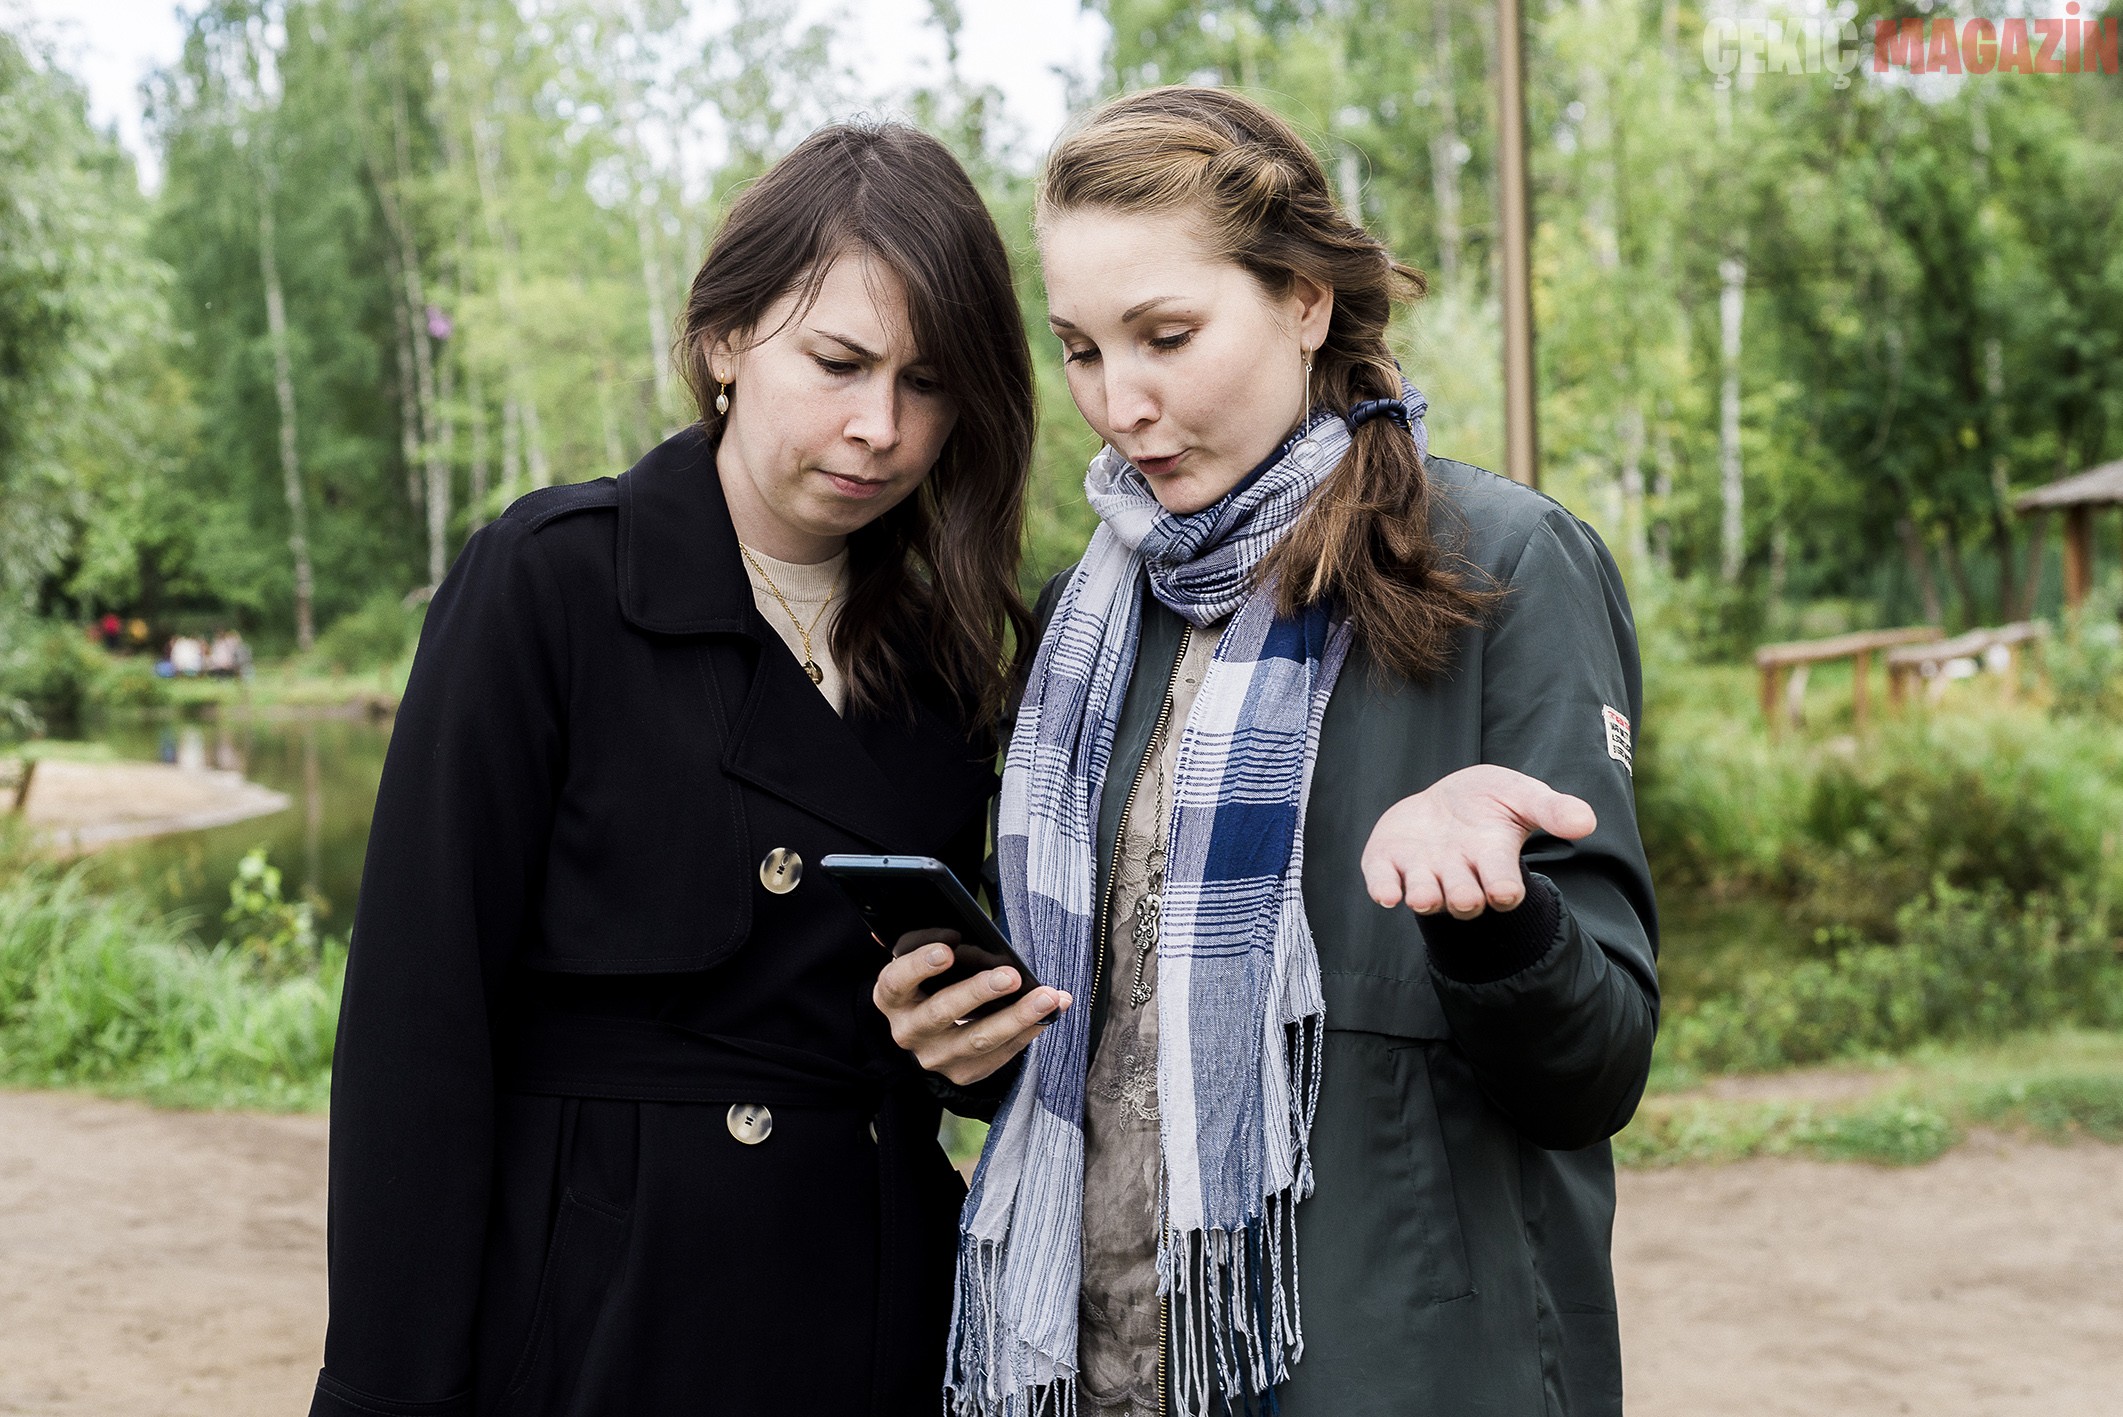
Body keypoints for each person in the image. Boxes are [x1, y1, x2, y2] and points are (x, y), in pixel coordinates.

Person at [875, 87, 1658, 1417]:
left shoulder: (1503, 567)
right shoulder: (1085, 620)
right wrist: (968, 1034)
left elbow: (1594, 1067)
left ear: (1305, 300)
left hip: (1387, 1379)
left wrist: (1494, 917)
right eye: (1078, 349)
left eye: (1167, 335)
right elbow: (1108, 1048)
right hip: (1095, 1371)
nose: (1121, 403)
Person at [309, 121, 1037, 1417]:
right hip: (600, 1309)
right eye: (838, 361)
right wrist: (384, 1390)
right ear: (723, 340)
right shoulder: (553, 583)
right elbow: (416, 1029)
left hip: (872, 1306)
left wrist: (965, 1051)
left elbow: (974, 1006)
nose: (879, 427)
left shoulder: (952, 654)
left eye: (927, 384)